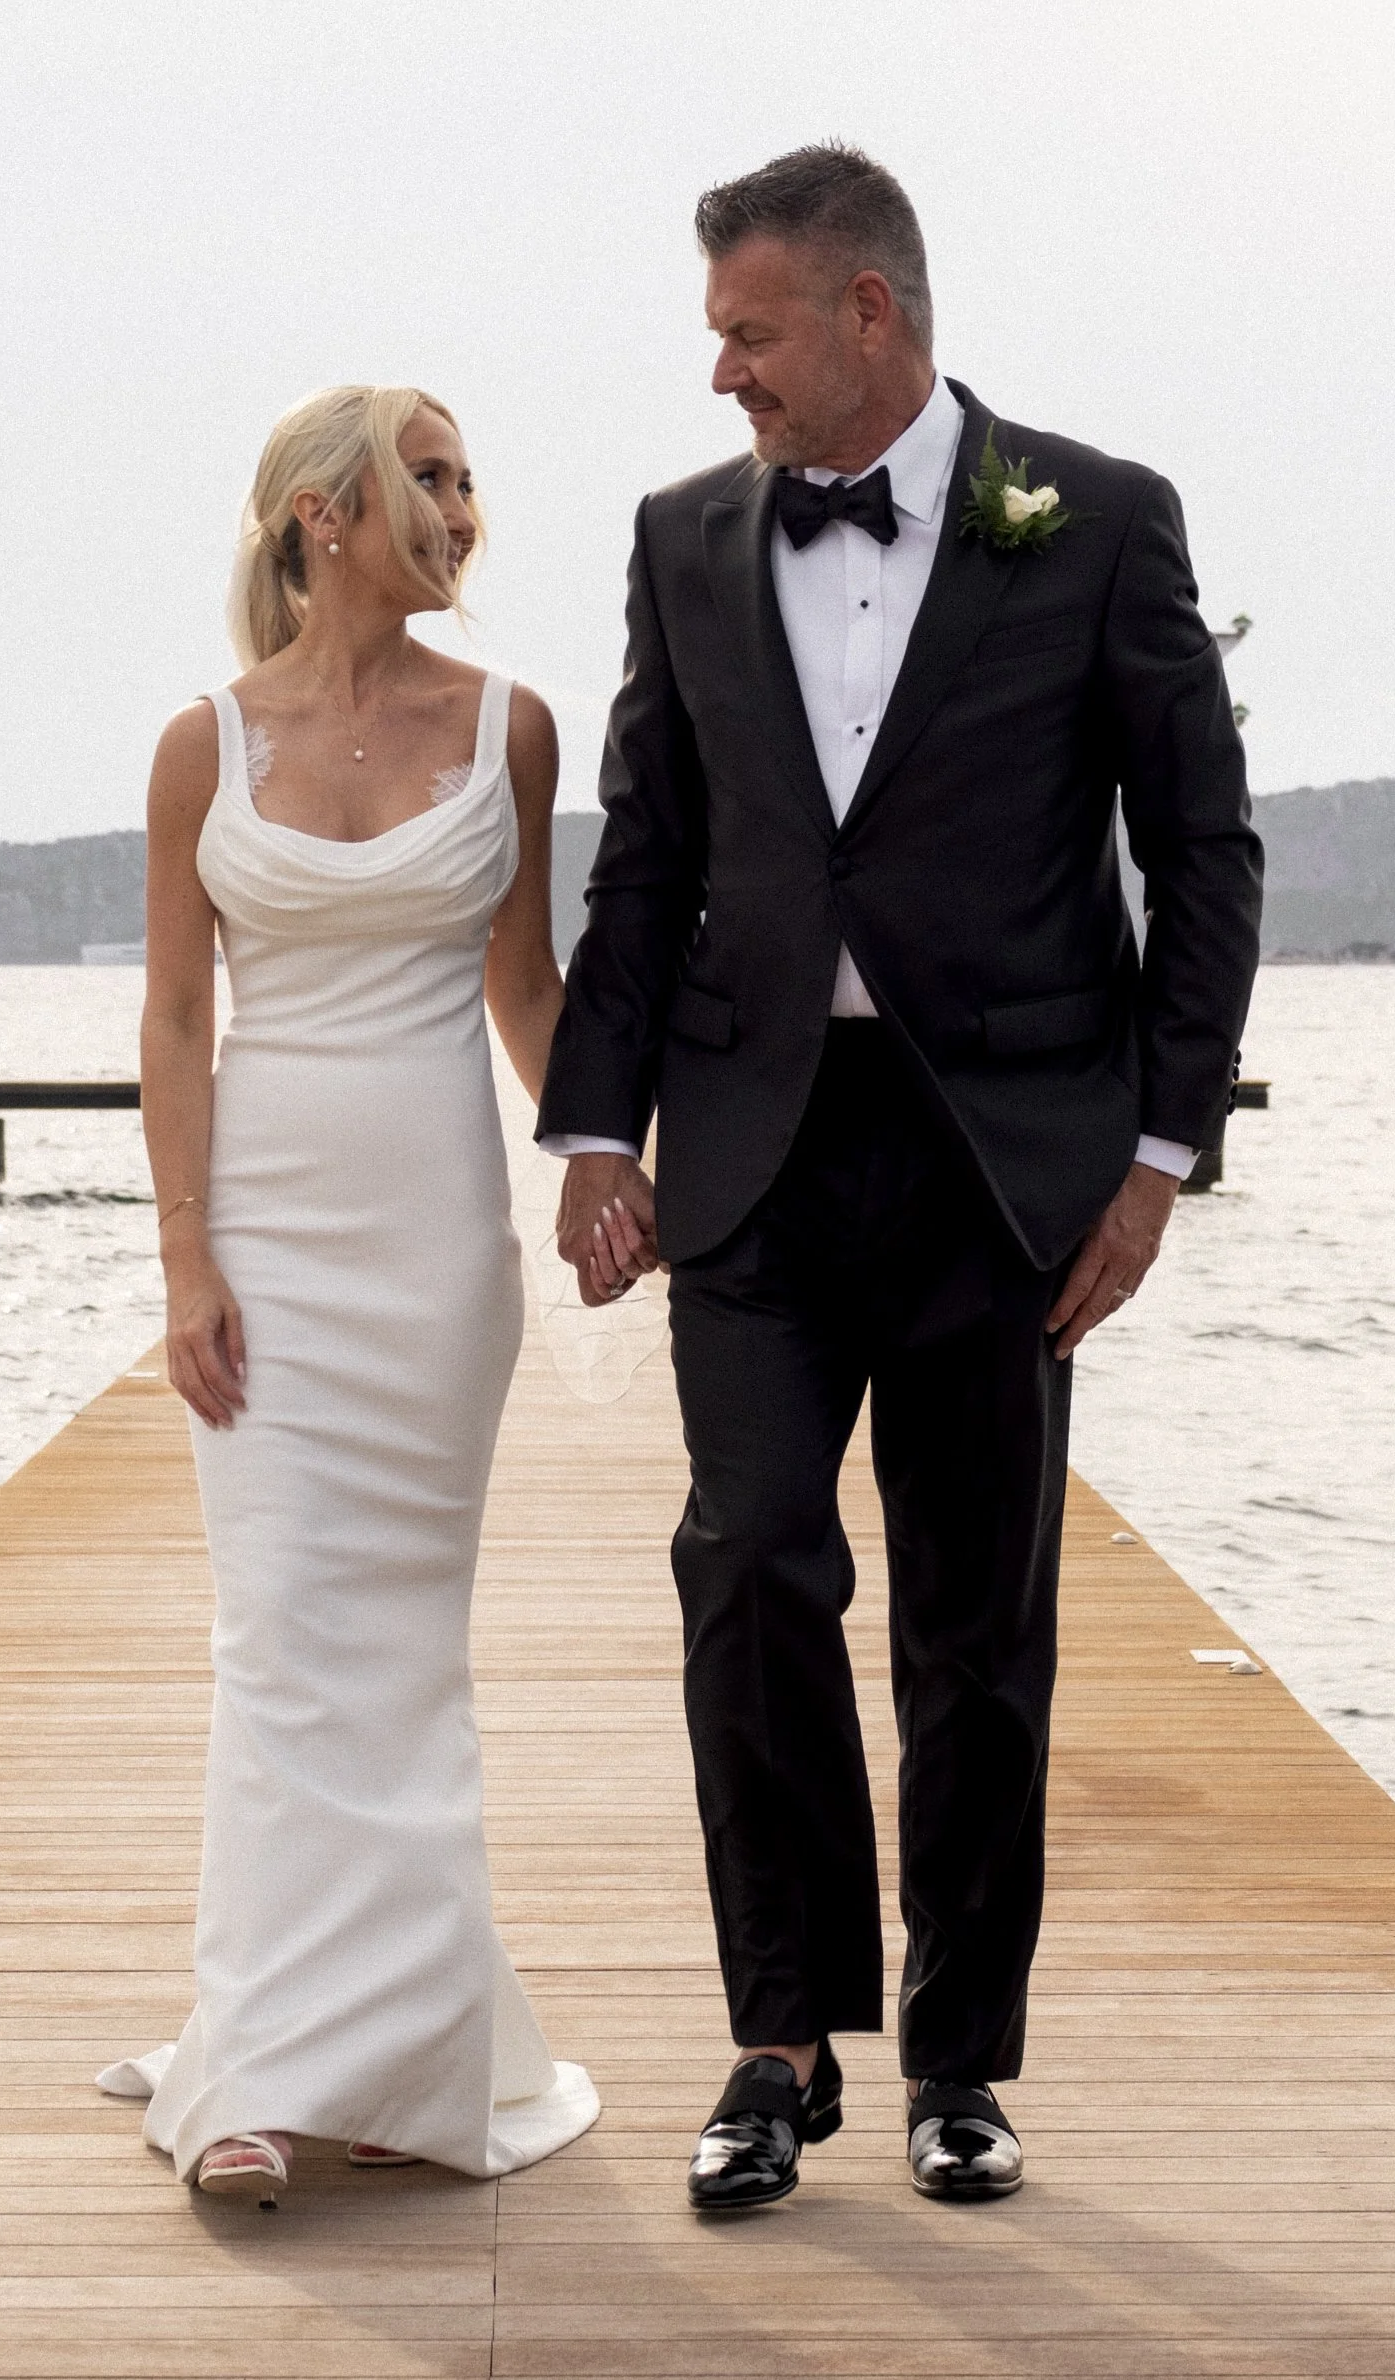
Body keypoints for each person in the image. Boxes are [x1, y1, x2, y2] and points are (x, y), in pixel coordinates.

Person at [540, 144, 1261, 2211]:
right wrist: (598, 1130)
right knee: (746, 1558)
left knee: (974, 1624)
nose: (720, 379)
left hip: (1003, 1167)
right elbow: (649, 852)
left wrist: (1153, 1152)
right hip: (752, 1157)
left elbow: (1197, 852)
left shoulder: (1098, 520)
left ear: (869, 313)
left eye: (746, 334)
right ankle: (778, 2041)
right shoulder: (681, 543)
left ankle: (960, 2056)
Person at [98, 385, 599, 2201]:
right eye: (430, 479)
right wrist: (185, 1258)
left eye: (472, 480)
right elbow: (171, 1017)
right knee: (280, 1637)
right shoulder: (199, 751)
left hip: (436, 1244)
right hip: (268, 1241)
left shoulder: (515, 732)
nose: (464, 511)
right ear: (326, 515)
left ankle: (399, 2049)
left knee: (396, 1653)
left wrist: (619, 1169)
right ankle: (252, 2074)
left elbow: (525, 993)